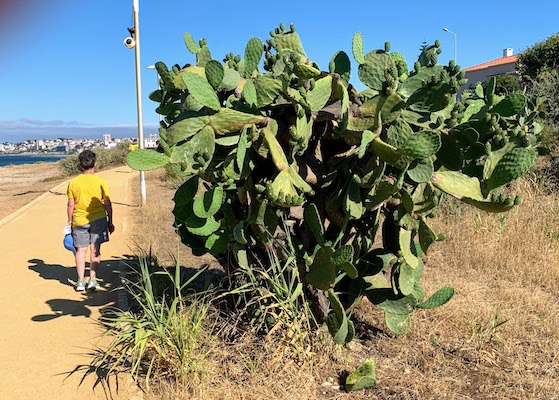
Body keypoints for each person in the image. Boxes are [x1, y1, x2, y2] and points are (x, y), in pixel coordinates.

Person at [66, 150, 114, 291]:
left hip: (79, 220)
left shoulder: (73, 183)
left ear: (80, 165)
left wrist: (69, 221)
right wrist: (110, 221)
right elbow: (107, 203)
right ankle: (92, 279)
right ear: (95, 164)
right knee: (95, 250)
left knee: (81, 250)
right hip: (99, 219)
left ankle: (80, 281)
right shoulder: (100, 182)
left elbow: (70, 204)